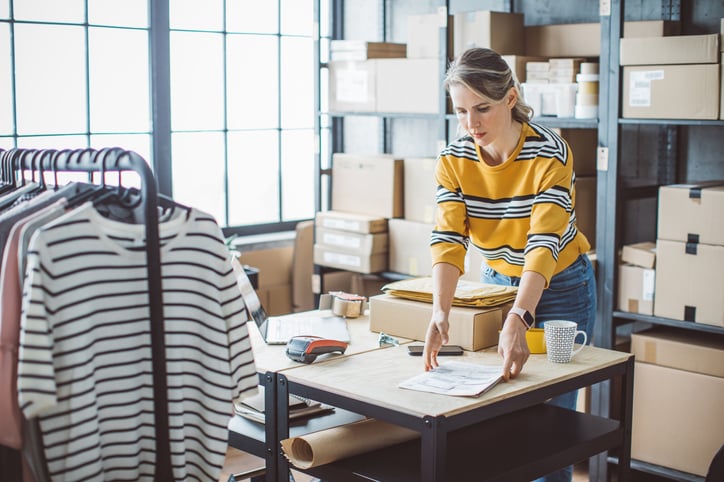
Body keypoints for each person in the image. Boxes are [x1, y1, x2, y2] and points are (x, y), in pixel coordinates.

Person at [422, 47, 596, 482]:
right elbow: (448, 238)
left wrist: (521, 313)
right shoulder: (454, 159)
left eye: (482, 108)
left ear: (511, 99)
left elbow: (544, 241)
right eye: (460, 111)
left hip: (559, 287)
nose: (471, 124)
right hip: (497, 282)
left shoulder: (549, 152)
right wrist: (440, 311)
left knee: (548, 434)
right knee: (499, 419)